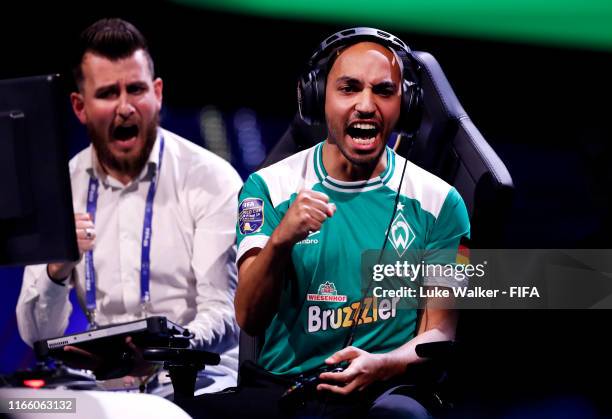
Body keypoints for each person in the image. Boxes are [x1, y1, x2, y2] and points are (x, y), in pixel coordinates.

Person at [183, 27, 470, 418]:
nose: (366, 105)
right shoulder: (266, 187)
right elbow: (248, 317)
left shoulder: (442, 203)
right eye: (349, 88)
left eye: (383, 91)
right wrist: (281, 239)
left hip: (382, 393)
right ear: (318, 98)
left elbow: (440, 332)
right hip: (283, 389)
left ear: (407, 103)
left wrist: (383, 364)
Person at [16, 18, 242, 394]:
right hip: (106, 385)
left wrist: (164, 350)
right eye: (107, 93)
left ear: (157, 93)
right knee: (23, 407)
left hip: (195, 381)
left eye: (135, 89)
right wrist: (57, 269)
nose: (125, 108)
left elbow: (226, 313)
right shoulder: (61, 188)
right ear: (80, 106)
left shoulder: (212, 179)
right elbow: (37, 334)